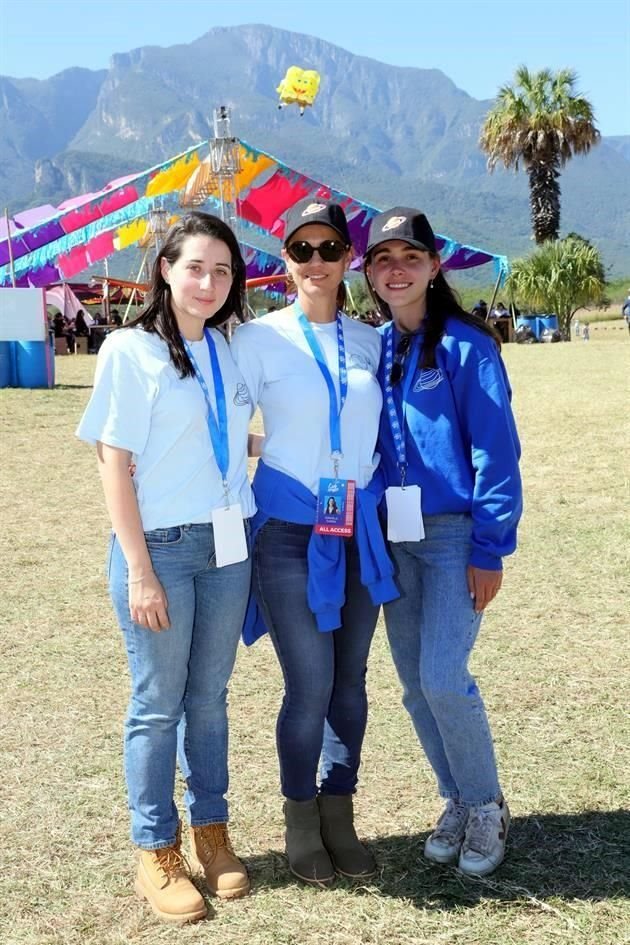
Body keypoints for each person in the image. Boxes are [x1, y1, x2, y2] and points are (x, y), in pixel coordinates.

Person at [76, 212, 256, 923]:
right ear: (165, 271)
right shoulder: (129, 348)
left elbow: (231, 436)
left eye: (222, 270)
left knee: (208, 698)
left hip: (227, 546)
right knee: (156, 704)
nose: (209, 282)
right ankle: (156, 846)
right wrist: (139, 568)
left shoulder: (225, 349)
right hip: (161, 549)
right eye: (195, 267)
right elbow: (112, 461)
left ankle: (211, 829)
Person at [231, 198, 398, 887]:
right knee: (311, 682)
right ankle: (301, 821)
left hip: (357, 530)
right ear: (285, 259)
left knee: (352, 682)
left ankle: (339, 814)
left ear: (348, 257)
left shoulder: (369, 340)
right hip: (288, 532)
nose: (316, 261)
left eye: (329, 247)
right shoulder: (257, 339)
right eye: (302, 249)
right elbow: (220, 423)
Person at [364, 207, 522, 878]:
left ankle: (487, 805)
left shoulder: (467, 346)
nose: (395, 269)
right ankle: (455, 797)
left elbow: (497, 453)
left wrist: (490, 548)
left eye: (410, 256)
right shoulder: (379, 348)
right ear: (369, 275)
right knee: (412, 684)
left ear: (434, 266)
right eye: (382, 259)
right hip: (396, 539)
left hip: (455, 538)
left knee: (442, 676)